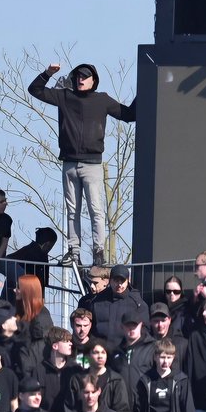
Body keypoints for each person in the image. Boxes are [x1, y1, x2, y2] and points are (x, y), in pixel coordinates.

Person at [27, 61, 137, 267]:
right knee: (72, 210)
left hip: (92, 164)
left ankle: (98, 252)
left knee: (96, 210)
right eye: (78, 76)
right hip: (69, 163)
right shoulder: (65, 96)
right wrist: (47, 73)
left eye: (85, 76)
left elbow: (129, 115)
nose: (80, 79)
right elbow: (35, 90)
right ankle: (73, 252)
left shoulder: (102, 100)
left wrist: (145, 89)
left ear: (93, 80)